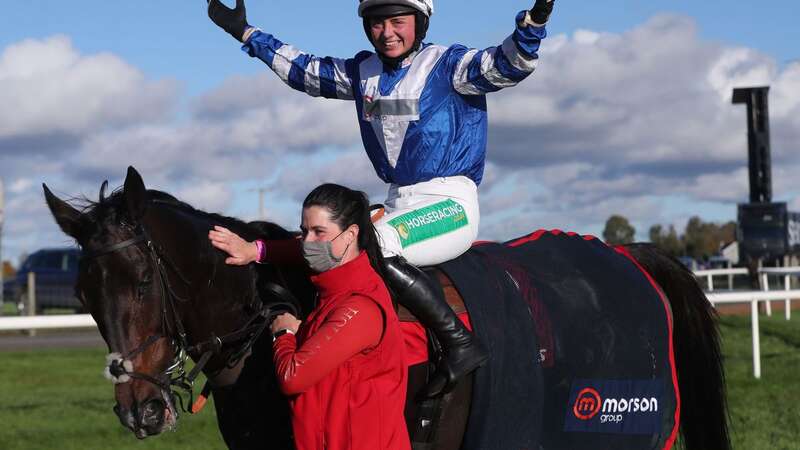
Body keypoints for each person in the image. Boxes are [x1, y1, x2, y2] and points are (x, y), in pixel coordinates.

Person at [207, 0, 556, 396]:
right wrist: (246, 33)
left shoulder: (449, 65)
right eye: (376, 23)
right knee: (334, 237)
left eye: (397, 21)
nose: (387, 32)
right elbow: (303, 71)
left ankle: (458, 341)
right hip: (395, 202)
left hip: (450, 204)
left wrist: (534, 23)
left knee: (371, 245)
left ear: (419, 23)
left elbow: (508, 65)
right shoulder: (362, 73)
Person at [212, 184, 411, 450]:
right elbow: (301, 250)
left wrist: (283, 334)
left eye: (318, 232)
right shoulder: (335, 281)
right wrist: (255, 251)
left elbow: (293, 377)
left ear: (351, 234)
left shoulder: (360, 307)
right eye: (304, 231)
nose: (307, 242)